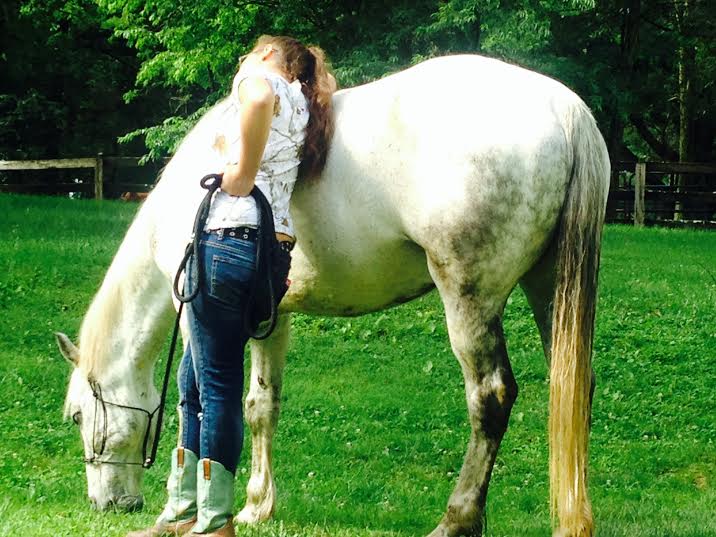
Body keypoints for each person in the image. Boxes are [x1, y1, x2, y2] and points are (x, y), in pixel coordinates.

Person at [127, 35, 336, 537]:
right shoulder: (305, 108)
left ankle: (214, 522)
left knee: (215, 382)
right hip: (265, 252)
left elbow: (257, 98)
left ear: (269, 56)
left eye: (250, 52)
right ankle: (183, 510)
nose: (243, 60)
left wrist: (238, 175)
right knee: (192, 380)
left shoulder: (261, 82)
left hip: (227, 240)